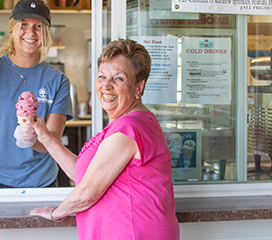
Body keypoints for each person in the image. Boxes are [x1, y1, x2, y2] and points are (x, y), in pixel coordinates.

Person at [27, 39, 180, 239]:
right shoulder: (126, 123)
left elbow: (86, 194)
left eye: (118, 79)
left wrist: (55, 213)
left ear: (138, 88)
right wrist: (45, 137)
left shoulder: (130, 128)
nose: (106, 86)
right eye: (101, 76)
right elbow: (85, 176)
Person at [0, 0, 73, 189]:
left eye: (38, 26)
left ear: (46, 33)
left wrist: (32, 140)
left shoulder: (58, 81)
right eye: (23, 24)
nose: (30, 32)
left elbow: (53, 137)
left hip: (41, 183)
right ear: (12, 29)